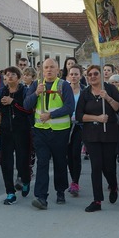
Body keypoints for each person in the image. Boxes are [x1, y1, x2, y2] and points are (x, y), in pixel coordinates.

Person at [24, 58, 74, 209]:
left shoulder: (63, 85)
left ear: (58, 69)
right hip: (41, 131)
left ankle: (60, 191)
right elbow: (27, 104)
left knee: (60, 162)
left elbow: (69, 107)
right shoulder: (36, 84)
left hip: (60, 131)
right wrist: (35, 94)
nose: (49, 70)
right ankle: (41, 197)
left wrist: (51, 115)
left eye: (52, 67)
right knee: (42, 162)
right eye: (46, 67)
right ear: (41, 70)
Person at [76, 64, 119, 212]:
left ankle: (113, 185)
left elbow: (118, 108)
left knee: (108, 166)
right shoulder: (85, 93)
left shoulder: (110, 89)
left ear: (101, 75)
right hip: (91, 134)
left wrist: (107, 98)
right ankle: (97, 200)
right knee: (96, 166)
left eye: (96, 74)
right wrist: (97, 117)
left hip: (109, 133)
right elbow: (79, 116)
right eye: (89, 75)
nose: (93, 77)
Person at [0, 66, 32, 204]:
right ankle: (10, 192)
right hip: (5, 132)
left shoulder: (24, 91)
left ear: (19, 78)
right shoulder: (2, 91)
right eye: (7, 75)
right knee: (6, 163)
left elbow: (28, 109)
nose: (10, 77)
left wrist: (14, 102)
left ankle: (25, 180)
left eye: (13, 74)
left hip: (22, 132)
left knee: (22, 162)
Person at [66, 64, 84, 197]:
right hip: (65, 125)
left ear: (80, 76)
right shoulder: (63, 89)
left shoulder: (84, 91)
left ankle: (75, 182)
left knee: (75, 153)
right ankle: (73, 179)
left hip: (79, 125)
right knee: (68, 155)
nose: (74, 76)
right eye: (71, 74)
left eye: (76, 74)